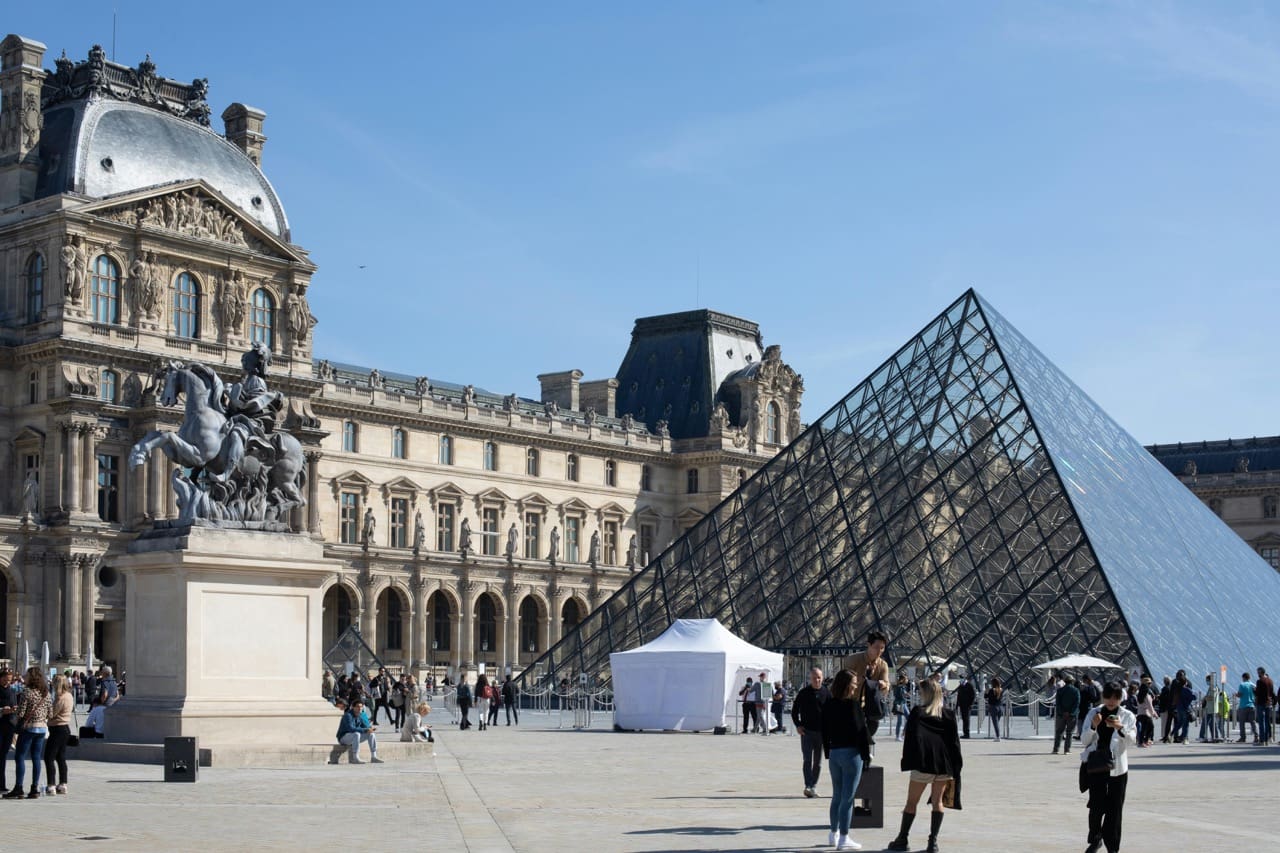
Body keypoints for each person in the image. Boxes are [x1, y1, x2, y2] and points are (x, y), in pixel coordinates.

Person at [887, 678, 963, 853]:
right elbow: (955, 743)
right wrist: (956, 767)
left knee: (911, 802)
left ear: (926, 694)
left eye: (921, 693)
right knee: (937, 802)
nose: (919, 695)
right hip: (944, 765)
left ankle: (902, 839)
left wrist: (907, 761)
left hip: (924, 763)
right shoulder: (949, 715)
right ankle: (933, 842)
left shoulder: (918, 712)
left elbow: (911, 739)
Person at [1079, 681, 1137, 853]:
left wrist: (1120, 728)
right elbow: (1084, 740)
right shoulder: (1093, 713)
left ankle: (1112, 846)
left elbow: (1131, 740)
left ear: (1120, 698)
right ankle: (1095, 838)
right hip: (1096, 767)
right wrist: (1093, 726)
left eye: (1116, 697)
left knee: (1115, 809)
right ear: (1103, 696)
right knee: (1096, 807)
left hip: (1117, 768)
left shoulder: (1127, 716)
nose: (1112, 701)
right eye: (1109, 697)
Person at [820, 669, 871, 851]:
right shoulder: (853, 705)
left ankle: (832, 834)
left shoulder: (828, 705)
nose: (856, 685)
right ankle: (844, 837)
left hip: (834, 753)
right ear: (848, 686)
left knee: (837, 795)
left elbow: (824, 731)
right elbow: (861, 732)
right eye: (854, 683)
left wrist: (828, 752)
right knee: (848, 798)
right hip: (851, 754)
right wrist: (866, 756)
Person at [5, 667, 51, 798]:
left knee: (19, 756)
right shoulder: (45, 693)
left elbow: (21, 713)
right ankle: (34, 788)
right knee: (36, 757)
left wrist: (14, 710)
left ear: (31, 677)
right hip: (42, 728)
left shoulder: (27, 692)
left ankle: (18, 787)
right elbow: (51, 713)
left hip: (29, 728)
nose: (24, 677)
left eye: (26, 675)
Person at [842, 631, 890, 747]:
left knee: (870, 731)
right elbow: (844, 682)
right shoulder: (853, 660)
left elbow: (887, 685)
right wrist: (861, 679)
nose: (879, 651)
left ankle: (864, 756)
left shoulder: (883, 665)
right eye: (876, 647)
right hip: (851, 703)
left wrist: (883, 684)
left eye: (882, 648)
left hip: (870, 705)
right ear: (868, 645)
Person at [790, 666, 830, 798]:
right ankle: (808, 785)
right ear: (810, 679)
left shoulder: (827, 693)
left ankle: (813, 786)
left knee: (817, 762)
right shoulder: (804, 693)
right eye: (814, 678)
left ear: (822, 678)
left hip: (822, 732)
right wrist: (798, 725)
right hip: (806, 732)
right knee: (807, 759)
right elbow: (794, 710)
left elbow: (832, 711)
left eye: (819, 677)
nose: (816, 680)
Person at [43, 674, 73, 795]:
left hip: (57, 728)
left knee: (49, 757)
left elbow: (52, 713)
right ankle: (63, 784)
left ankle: (51, 785)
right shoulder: (70, 695)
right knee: (61, 757)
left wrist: (46, 711)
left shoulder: (60, 698)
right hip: (65, 728)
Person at [334, 698, 381, 764]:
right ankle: (355, 757)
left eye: (361, 707)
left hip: (353, 737)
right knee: (357, 734)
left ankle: (374, 756)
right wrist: (365, 730)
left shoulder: (360, 715)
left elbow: (366, 726)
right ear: (353, 707)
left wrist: (369, 729)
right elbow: (351, 729)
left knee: (371, 734)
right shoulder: (348, 715)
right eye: (358, 707)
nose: (360, 708)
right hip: (343, 738)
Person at [0, 671, 20, 793]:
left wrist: (14, 709)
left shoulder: (12, 691)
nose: (7, 682)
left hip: (9, 726)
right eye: (5, 679)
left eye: (9, 680)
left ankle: (2, 784)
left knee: (3, 756)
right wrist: (2, 710)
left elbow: (15, 704)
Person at [1053, 674, 1080, 754]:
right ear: (1072, 682)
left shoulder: (1060, 690)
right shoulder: (1076, 690)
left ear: (1065, 681)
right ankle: (1067, 750)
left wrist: (1062, 712)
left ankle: (1056, 749)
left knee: (1059, 732)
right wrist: (1071, 712)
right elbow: (1077, 703)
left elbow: (1058, 703)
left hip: (1061, 715)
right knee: (1069, 732)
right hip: (1072, 715)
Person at [1235, 672, 1257, 742]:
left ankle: (1243, 737)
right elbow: (1256, 694)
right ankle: (1256, 736)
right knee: (1253, 722)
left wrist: (1236, 695)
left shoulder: (1242, 685)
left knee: (1242, 723)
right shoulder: (1253, 685)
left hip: (1243, 706)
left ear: (1243, 677)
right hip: (1252, 705)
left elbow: (1240, 694)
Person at [1135, 675, 1157, 747]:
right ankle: (1143, 741)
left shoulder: (1140, 693)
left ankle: (1143, 741)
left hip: (1140, 713)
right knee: (1150, 727)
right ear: (1146, 684)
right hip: (1146, 713)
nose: (1150, 685)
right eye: (1149, 683)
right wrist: (1154, 713)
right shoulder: (1147, 694)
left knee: (1144, 728)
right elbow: (1149, 705)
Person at [1255, 667, 1275, 745]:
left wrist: (1254, 690)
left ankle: (1262, 740)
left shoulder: (1259, 681)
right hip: (1268, 703)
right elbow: (1272, 692)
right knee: (1267, 722)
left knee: (1261, 722)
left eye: (1258, 672)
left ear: (1261, 672)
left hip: (1261, 703)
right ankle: (1266, 739)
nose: (1257, 674)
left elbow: (1257, 693)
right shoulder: (1270, 681)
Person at [892, 674, 911, 741]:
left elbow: (904, 695)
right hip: (899, 704)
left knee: (909, 718)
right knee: (899, 721)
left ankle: (903, 733)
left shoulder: (903, 687)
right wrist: (906, 694)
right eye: (906, 679)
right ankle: (897, 736)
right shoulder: (899, 687)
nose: (907, 680)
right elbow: (899, 695)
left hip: (903, 703)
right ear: (902, 680)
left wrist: (906, 694)